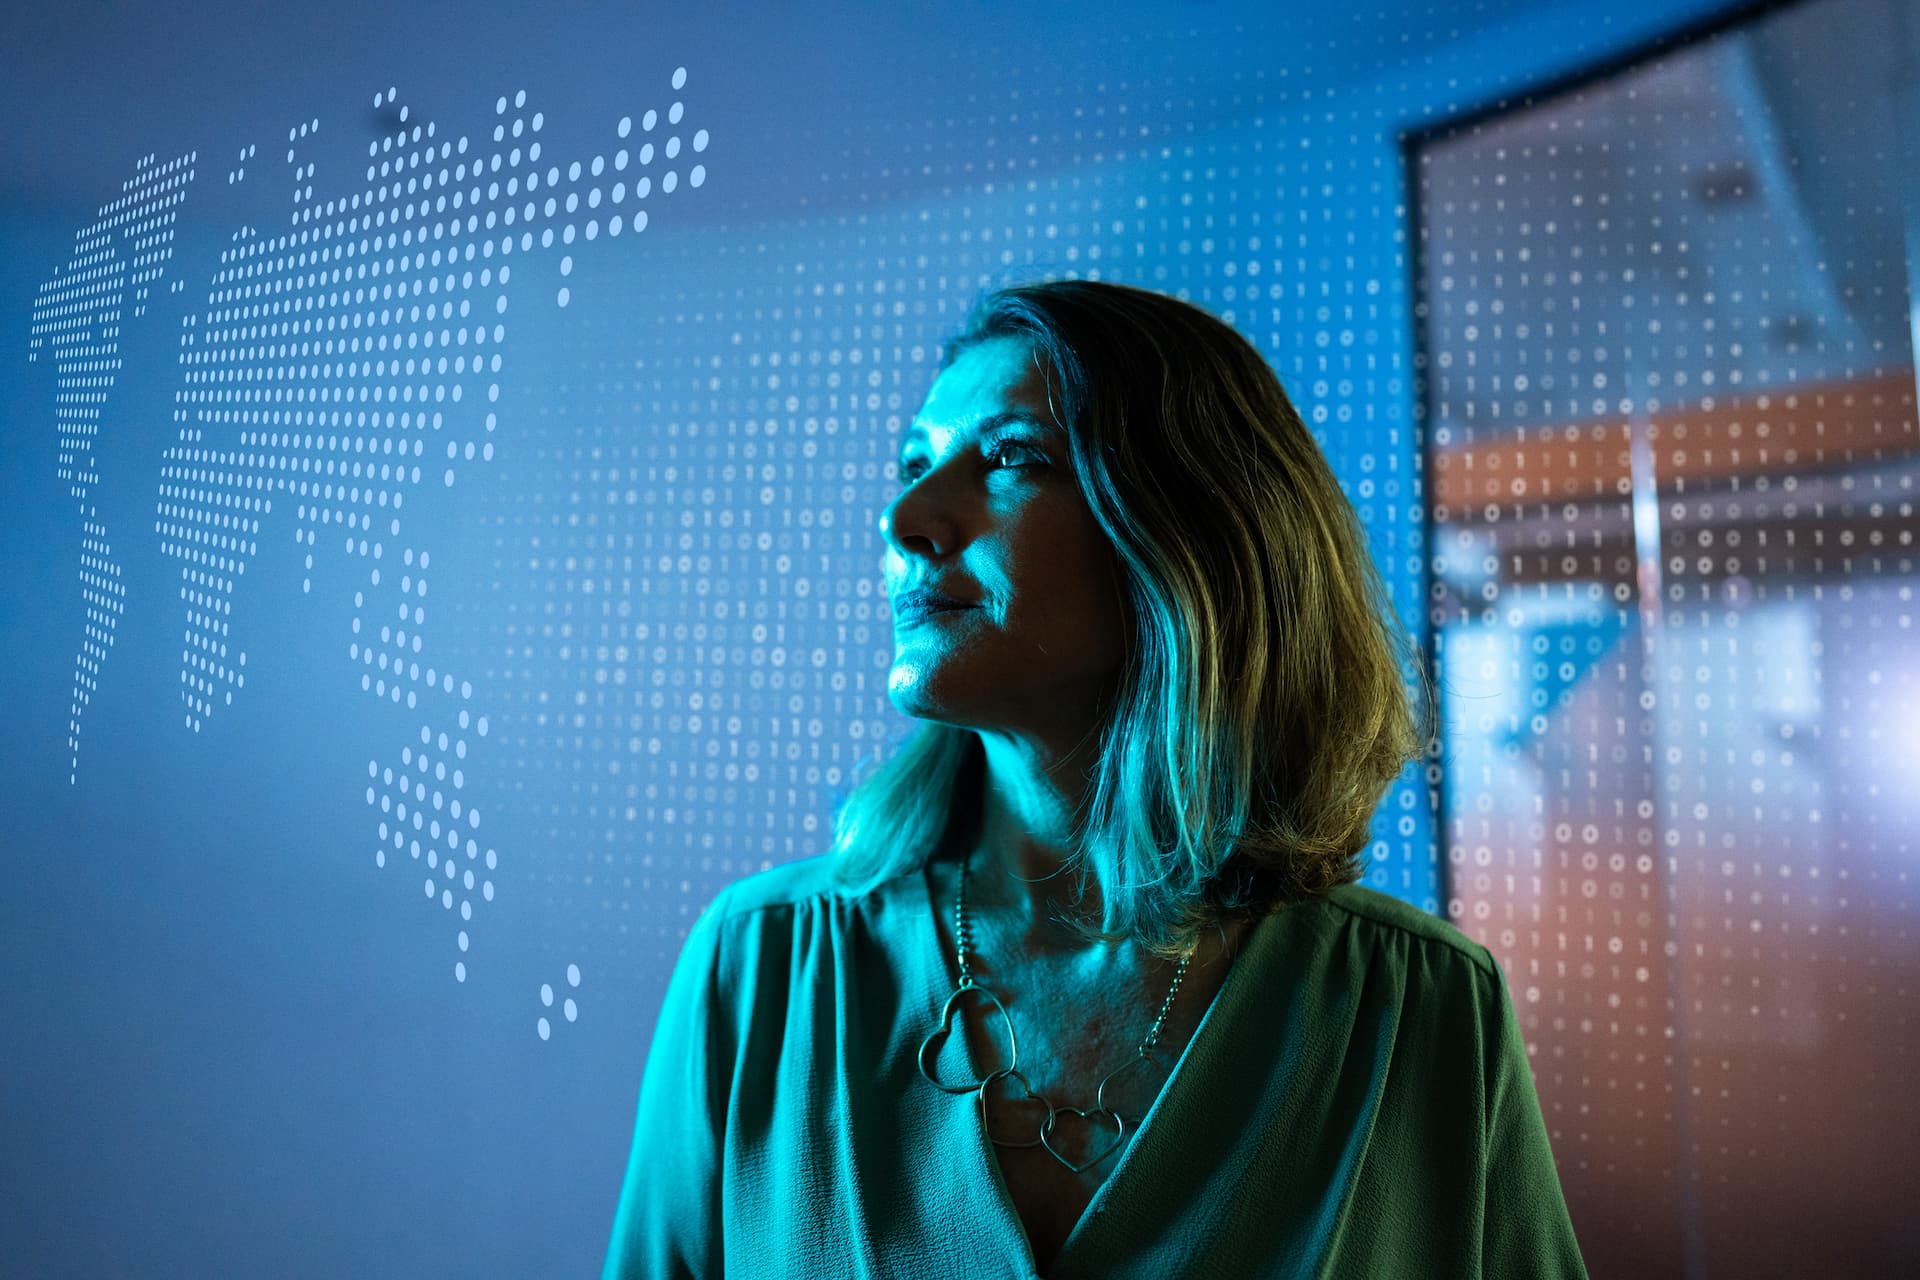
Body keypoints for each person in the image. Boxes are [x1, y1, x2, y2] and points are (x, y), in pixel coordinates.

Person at [601, 280, 1590, 1278]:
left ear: (1192, 533)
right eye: (913, 462)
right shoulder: (763, 966)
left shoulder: (1419, 1010)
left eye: (1011, 458)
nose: (907, 517)